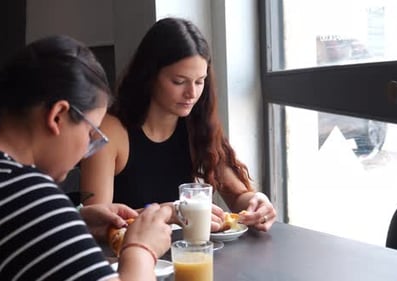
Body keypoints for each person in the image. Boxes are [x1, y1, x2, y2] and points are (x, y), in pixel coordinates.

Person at [0, 35, 172, 281]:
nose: (89, 147)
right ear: (57, 116)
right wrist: (141, 249)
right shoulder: (20, 192)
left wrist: (70, 224)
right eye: (90, 132)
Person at [79, 17, 276, 232]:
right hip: (126, 260)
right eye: (179, 82)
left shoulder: (197, 125)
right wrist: (170, 212)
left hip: (185, 255)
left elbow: (237, 195)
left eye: (199, 81)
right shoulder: (111, 130)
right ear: (150, 75)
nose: (192, 93)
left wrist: (257, 202)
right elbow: (96, 225)